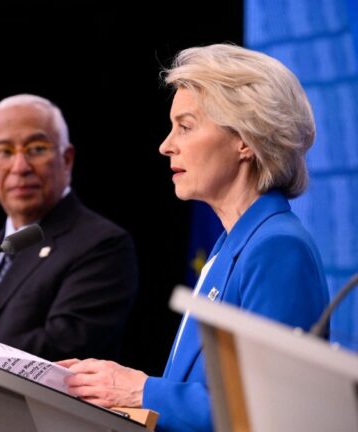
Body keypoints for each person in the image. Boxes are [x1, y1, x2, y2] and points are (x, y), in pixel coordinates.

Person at [60, 44, 329, 431]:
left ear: (245, 140)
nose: (166, 144)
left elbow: (268, 415)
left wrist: (141, 391)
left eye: (185, 126)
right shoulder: (233, 244)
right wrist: (123, 386)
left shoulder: (277, 248)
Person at [0, 94, 138, 361]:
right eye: (5, 152)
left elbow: (64, 348)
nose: (19, 167)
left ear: (67, 159)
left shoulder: (102, 245)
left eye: (36, 149)